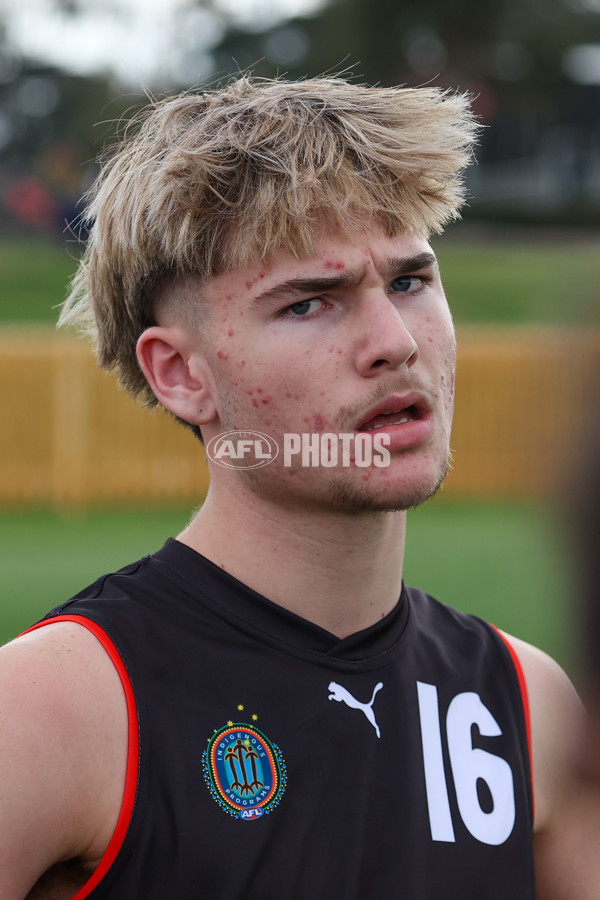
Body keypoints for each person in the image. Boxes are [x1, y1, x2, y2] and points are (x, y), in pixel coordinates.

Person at [0, 76, 586, 899]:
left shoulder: (528, 705)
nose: (393, 342)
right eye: (311, 303)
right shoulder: (54, 710)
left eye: (411, 282)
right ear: (180, 374)